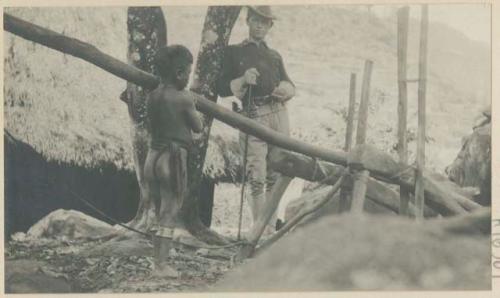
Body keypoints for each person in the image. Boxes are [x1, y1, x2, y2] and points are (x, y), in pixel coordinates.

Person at [216, 6, 295, 234]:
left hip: (279, 114)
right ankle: (259, 230)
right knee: (256, 175)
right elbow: (221, 87)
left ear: (270, 26)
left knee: (276, 173)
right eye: (256, 20)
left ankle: (270, 228)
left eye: (265, 22)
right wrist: (242, 80)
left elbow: (291, 84)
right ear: (248, 21)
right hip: (254, 114)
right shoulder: (233, 52)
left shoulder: (274, 56)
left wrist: (286, 90)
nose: (260, 25)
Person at [143, 45, 204, 276]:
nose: (188, 78)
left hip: (152, 156)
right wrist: (195, 109)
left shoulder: (153, 96)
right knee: (170, 210)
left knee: (160, 209)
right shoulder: (184, 98)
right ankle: (161, 265)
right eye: (188, 73)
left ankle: (156, 260)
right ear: (179, 73)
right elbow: (197, 127)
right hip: (172, 157)